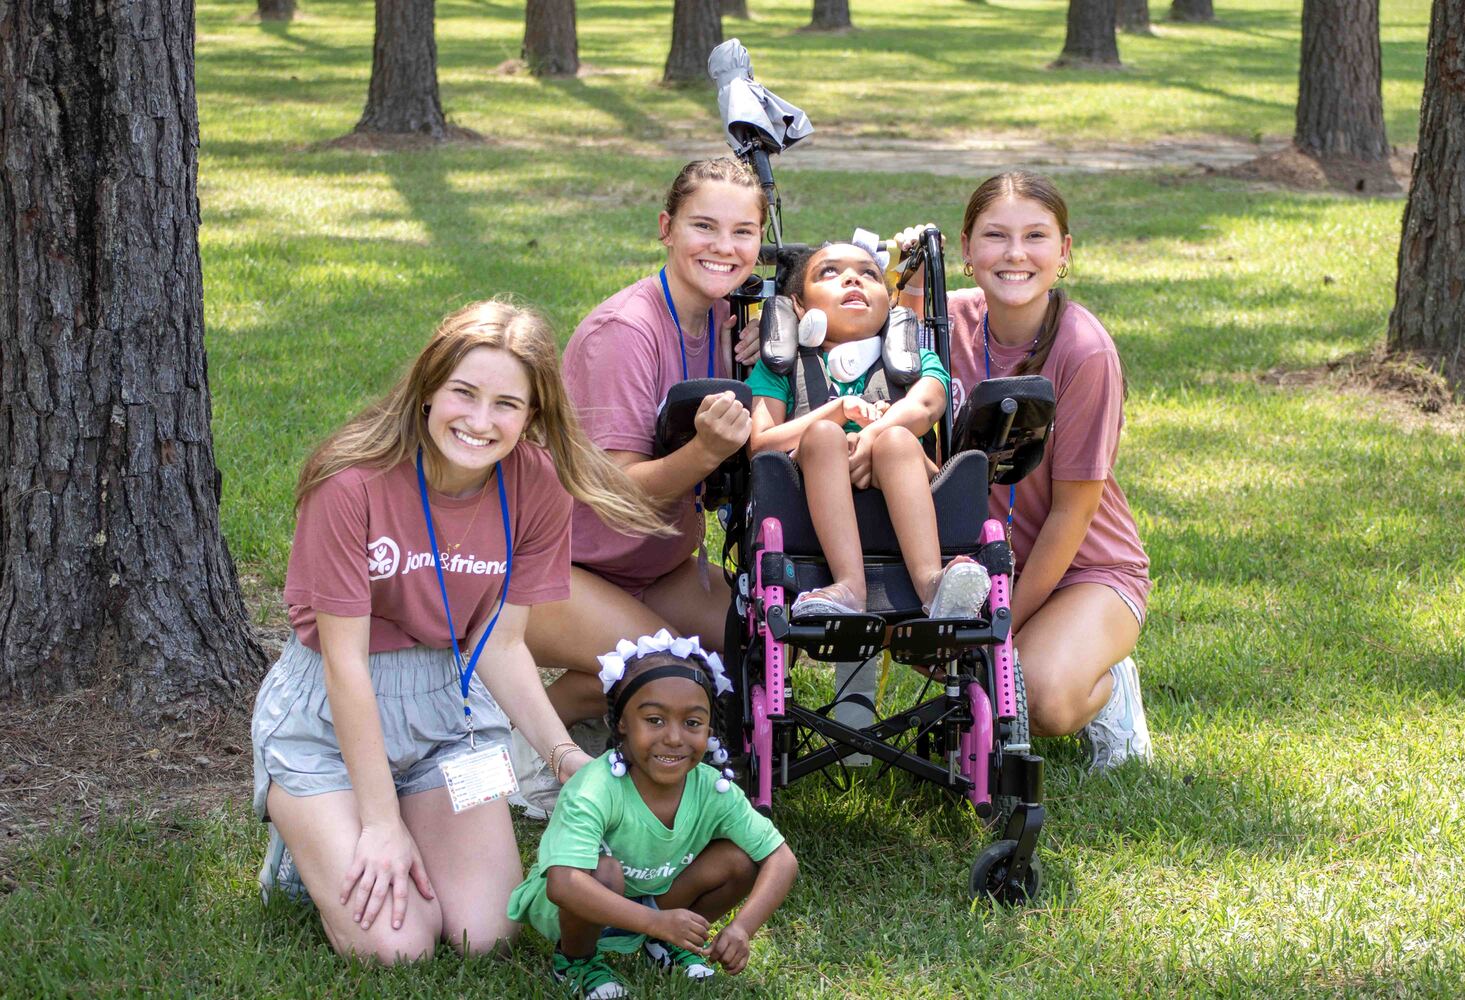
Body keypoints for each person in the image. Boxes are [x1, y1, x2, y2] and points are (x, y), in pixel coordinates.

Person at [250, 299, 668, 964]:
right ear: (427, 391)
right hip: (333, 717)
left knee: (485, 933)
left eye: (506, 403)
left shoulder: (535, 486)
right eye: (463, 394)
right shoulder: (350, 481)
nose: (479, 421)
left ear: (533, 415)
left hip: (451, 710)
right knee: (398, 948)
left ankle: (391, 824)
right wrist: (381, 825)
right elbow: (345, 665)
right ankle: (308, 836)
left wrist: (567, 761)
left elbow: (499, 645)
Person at [897, 171, 1153, 771]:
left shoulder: (1084, 351)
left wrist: (1001, 626)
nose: (1015, 254)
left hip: (1084, 567)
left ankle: (1111, 684)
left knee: (1042, 698)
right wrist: (906, 283)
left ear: (1063, 252)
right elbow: (851, 328)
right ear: (965, 249)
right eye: (995, 236)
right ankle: (1002, 666)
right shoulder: (944, 320)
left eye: (1036, 236)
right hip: (972, 557)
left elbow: (1074, 512)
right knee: (908, 631)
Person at [525, 157, 767, 729]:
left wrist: (789, 335)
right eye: (703, 226)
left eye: (743, 232)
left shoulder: (727, 322)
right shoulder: (626, 333)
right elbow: (617, 489)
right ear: (666, 228)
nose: (724, 247)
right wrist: (704, 453)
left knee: (754, 649)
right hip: (556, 569)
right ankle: (520, 750)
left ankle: (600, 709)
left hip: (654, 567)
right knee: (671, 673)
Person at [508, 632, 798, 998]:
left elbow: (782, 859)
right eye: (655, 720)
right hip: (574, 906)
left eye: (692, 723)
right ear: (621, 723)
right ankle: (575, 961)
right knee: (605, 871)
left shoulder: (712, 788)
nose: (675, 738)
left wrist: (742, 928)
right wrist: (656, 921)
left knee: (739, 860)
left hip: (654, 900)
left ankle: (665, 942)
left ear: (709, 729)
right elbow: (563, 884)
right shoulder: (594, 787)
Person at [745, 241, 991, 621]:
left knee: (896, 439)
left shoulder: (914, 360)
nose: (851, 279)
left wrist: (870, 438)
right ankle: (849, 586)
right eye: (829, 272)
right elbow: (760, 445)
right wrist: (837, 411)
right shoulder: (780, 369)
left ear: (889, 302)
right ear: (798, 305)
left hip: (906, 484)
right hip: (808, 501)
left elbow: (926, 406)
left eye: (869, 273)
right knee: (824, 436)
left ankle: (933, 585)